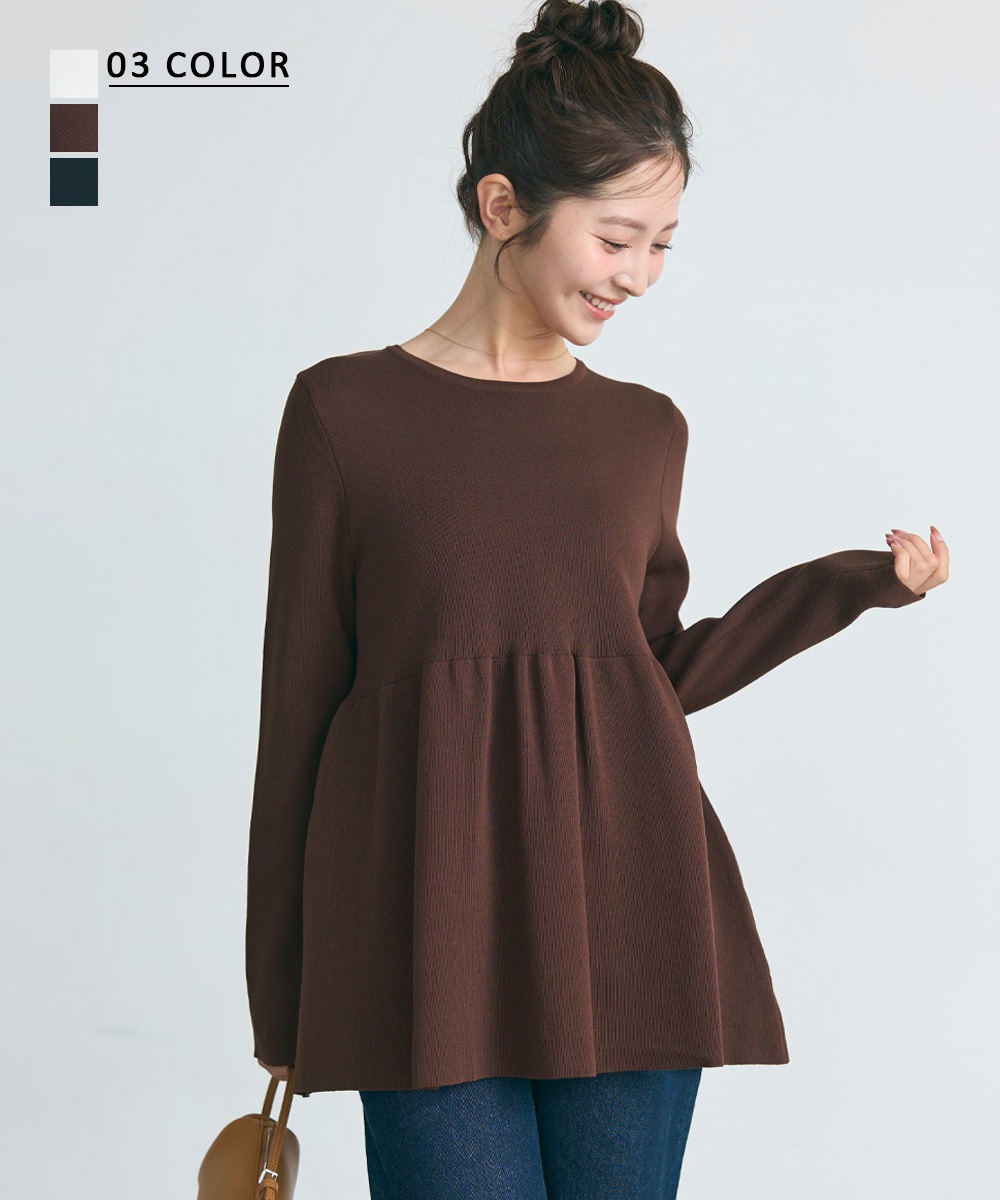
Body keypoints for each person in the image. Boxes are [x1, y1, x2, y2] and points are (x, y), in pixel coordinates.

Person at [244, 2, 950, 1196]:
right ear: (502, 206)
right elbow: (299, 705)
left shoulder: (643, 431)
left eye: (663, 244)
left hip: (628, 913)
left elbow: (649, 673)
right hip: (424, 934)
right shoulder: (342, 413)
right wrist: (285, 989)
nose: (640, 275)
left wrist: (854, 586)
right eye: (618, 237)